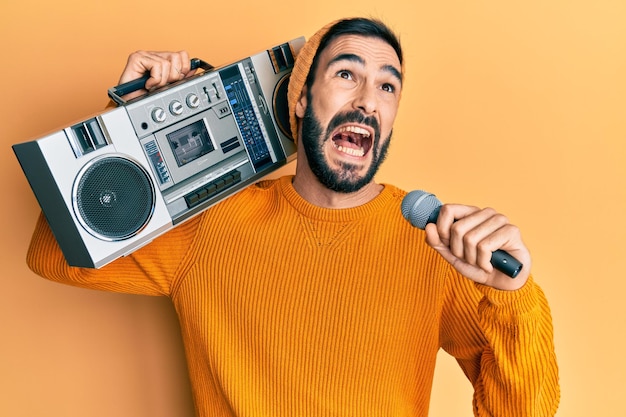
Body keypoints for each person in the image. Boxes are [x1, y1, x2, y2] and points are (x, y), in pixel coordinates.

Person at [26, 17, 560, 417]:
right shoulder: (214, 223)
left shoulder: (434, 242)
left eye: (388, 85)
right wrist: (126, 124)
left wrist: (513, 297)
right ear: (301, 98)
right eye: (347, 74)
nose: (368, 100)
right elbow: (57, 256)